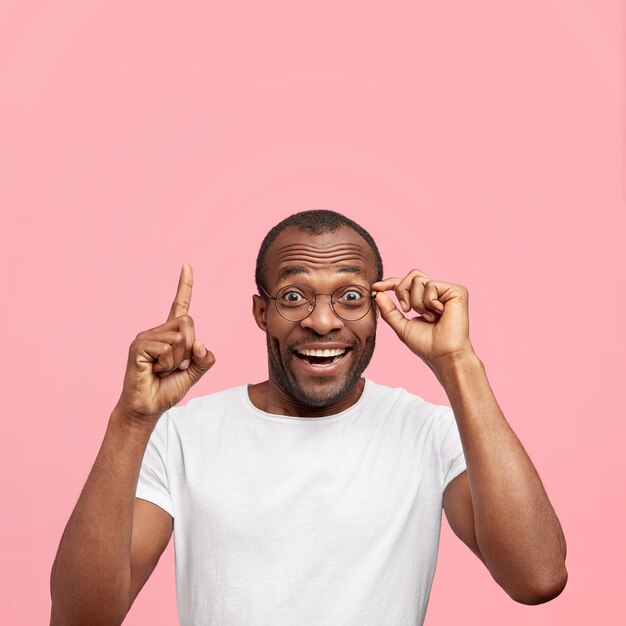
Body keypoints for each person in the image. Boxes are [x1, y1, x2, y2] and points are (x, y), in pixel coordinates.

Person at [50, 210, 567, 626]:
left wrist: (457, 363)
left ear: (379, 310)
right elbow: (81, 620)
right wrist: (132, 420)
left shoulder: (429, 433)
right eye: (294, 297)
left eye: (350, 297)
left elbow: (537, 578)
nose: (322, 322)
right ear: (261, 313)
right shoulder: (181, 436)